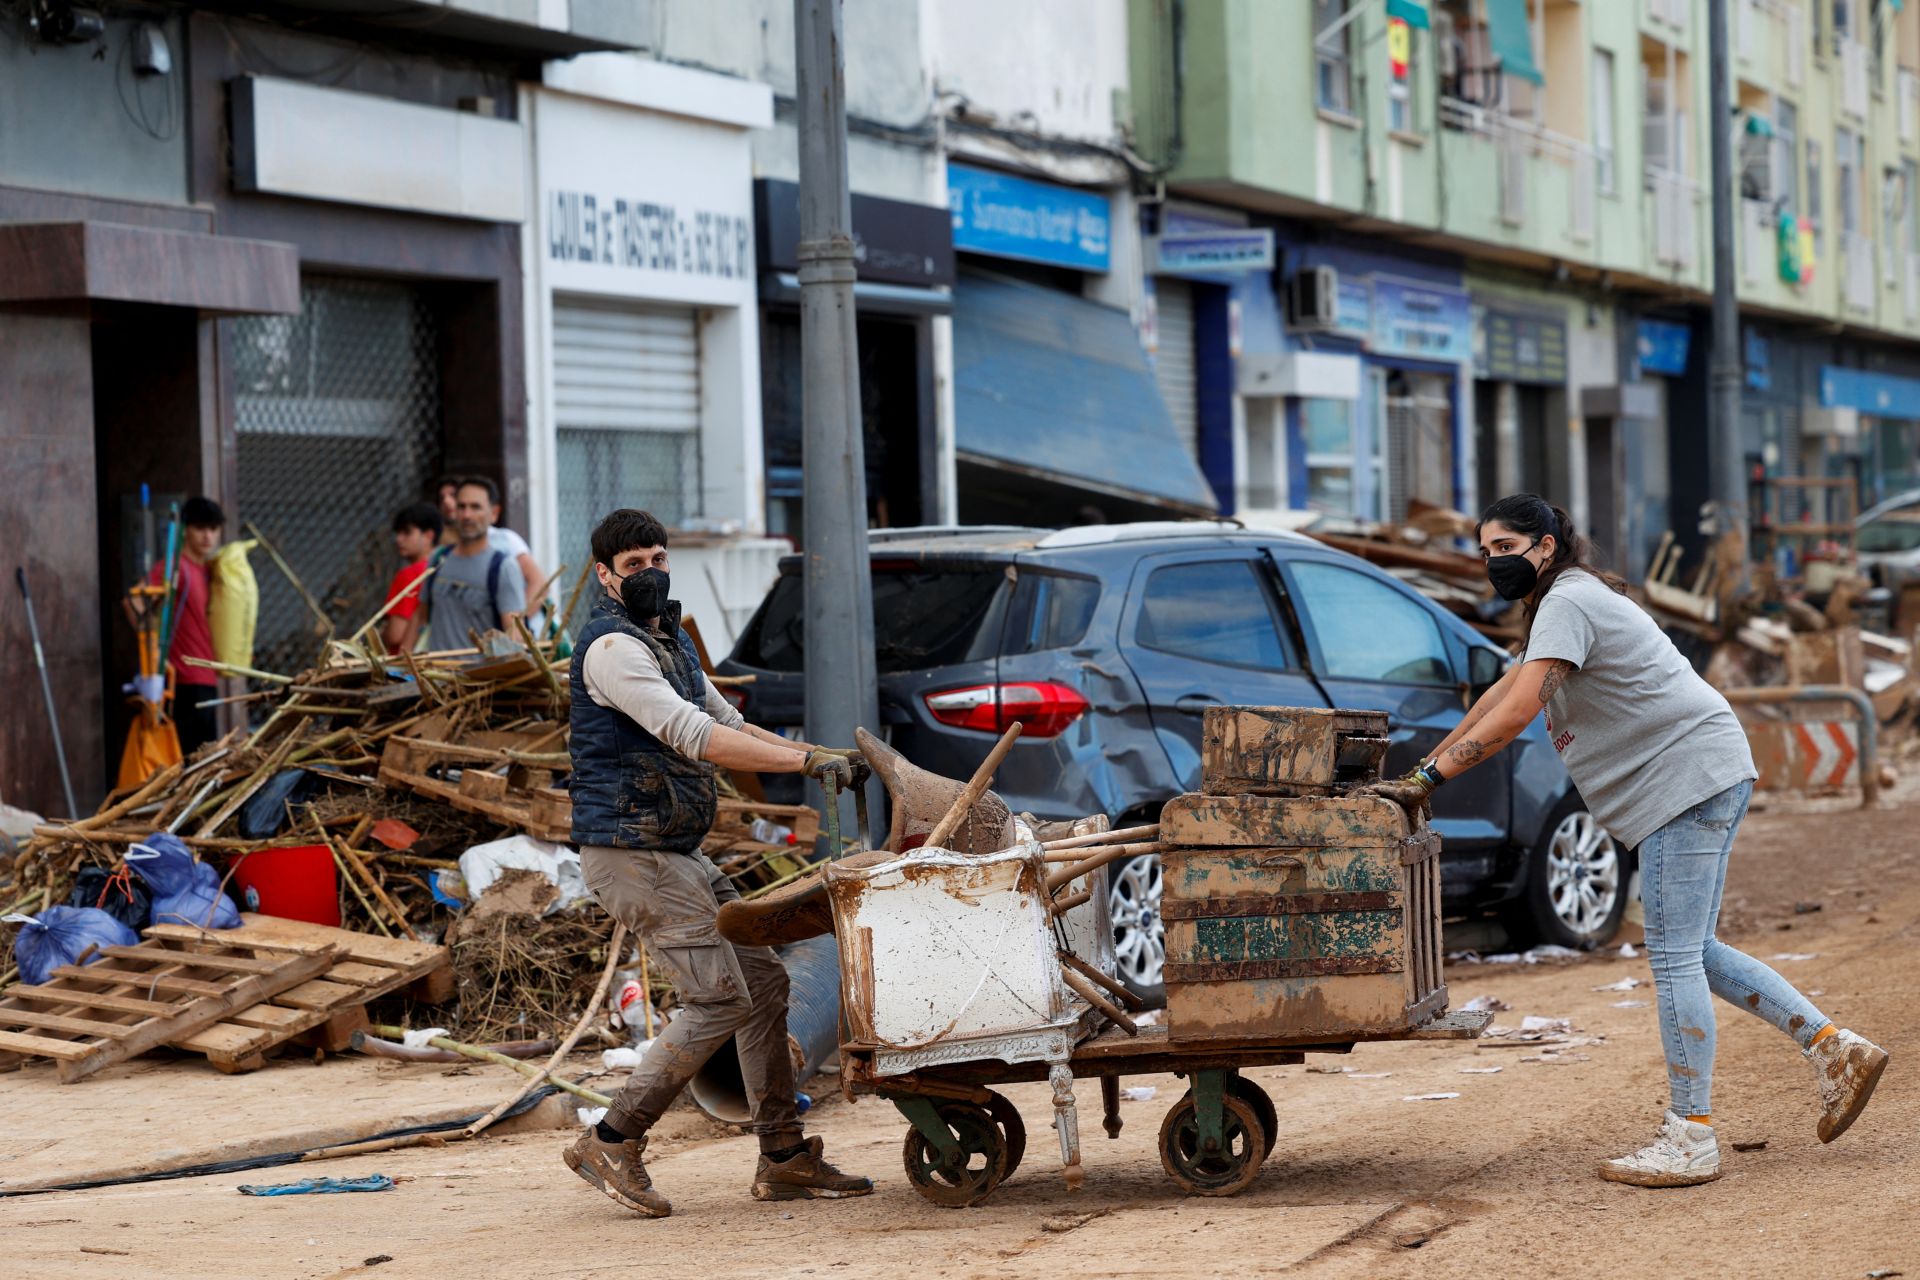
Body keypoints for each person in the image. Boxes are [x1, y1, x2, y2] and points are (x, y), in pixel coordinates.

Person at [1364, 494, 1889, 1189]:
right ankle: (1832, 1048)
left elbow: (1522, 711)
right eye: (1484, 551)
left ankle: (1691, 1135)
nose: (1493, 563)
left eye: (1504, 548)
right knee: (1694, 950)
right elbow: (1500, 694)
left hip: (1685, 781)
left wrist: (1431, 778)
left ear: (1544, 546)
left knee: (1673, 959)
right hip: (1699, 773)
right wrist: (1421, 770)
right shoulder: (1562, 602)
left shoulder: (1569, 604)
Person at [563, 508, 871, 1218]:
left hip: (676, 850)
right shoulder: (613, 651)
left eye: (657, 558)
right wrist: (806, 760)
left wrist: (815, 757)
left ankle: (784, 1157)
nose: (649, 572)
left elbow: (732, 724)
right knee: (718, 999)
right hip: (631, 855)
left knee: (762, 984)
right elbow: (694, 736)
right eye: (633, 565)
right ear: (605, 577)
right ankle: (611, 1139)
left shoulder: (668, 643)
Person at [136, 496, 225, 755]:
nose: (207, 536)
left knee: (203, 760)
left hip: (207, 677)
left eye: (213, 529)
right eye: (200, 528)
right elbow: (134, 601)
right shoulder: (174, 569)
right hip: (183, 680)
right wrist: (154, 653)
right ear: (186, 529)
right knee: (187, 760)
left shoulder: (209, 571)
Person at [426, 478, 526, 648]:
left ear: (494, 513)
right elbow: (418, 619)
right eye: (461, 507)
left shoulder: (503, 568)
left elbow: (515, 638)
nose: (466, 515)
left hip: (479, 674)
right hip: (434, 672)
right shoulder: (438, 559)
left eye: (475, 507)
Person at [381, 503, 442, 653]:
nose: (398, 539)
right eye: (398, 533)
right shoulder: (444, 571)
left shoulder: (410, 575)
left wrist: (383, 634)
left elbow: (396, 634)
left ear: (429, 536)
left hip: (405, 665)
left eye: (407, 533)